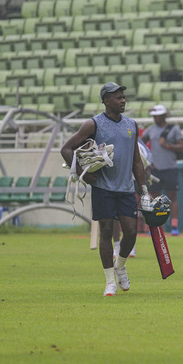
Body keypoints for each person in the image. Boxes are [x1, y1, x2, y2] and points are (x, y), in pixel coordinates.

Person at [61, 82, 150, 296]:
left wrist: (144, 190)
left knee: (130, 232)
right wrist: (84, 173)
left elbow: (137, 161)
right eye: (118, 97)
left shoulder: (132, 124)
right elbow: (66, 149)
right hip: (103, 187)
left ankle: (120, 266)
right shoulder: (93, 124)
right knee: (107, 232)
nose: (123, 100)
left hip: (126, 188)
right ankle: (110, 281)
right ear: (106, 101)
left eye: (123, 97)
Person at [141, 104, 183, 236]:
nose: (155, 119)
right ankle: (154, 225)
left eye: (157, 116)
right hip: (155, 168)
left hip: (170, 167)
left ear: (163, 116)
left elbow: (181, 146)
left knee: (172, 197)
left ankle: (174, 226)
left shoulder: (174, 130)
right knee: (154, 197)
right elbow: (141, 145)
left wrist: (167, 146)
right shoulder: (150, 130)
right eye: (154, 116)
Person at [113, 136, 152, 258]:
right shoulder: (112, 142)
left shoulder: (140, 148)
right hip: (114, 181)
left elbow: (145, 167)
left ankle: (130, 246)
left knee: (129, 215)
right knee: (113, 215)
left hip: (132, 182)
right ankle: (117, 245)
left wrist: (146, 180)